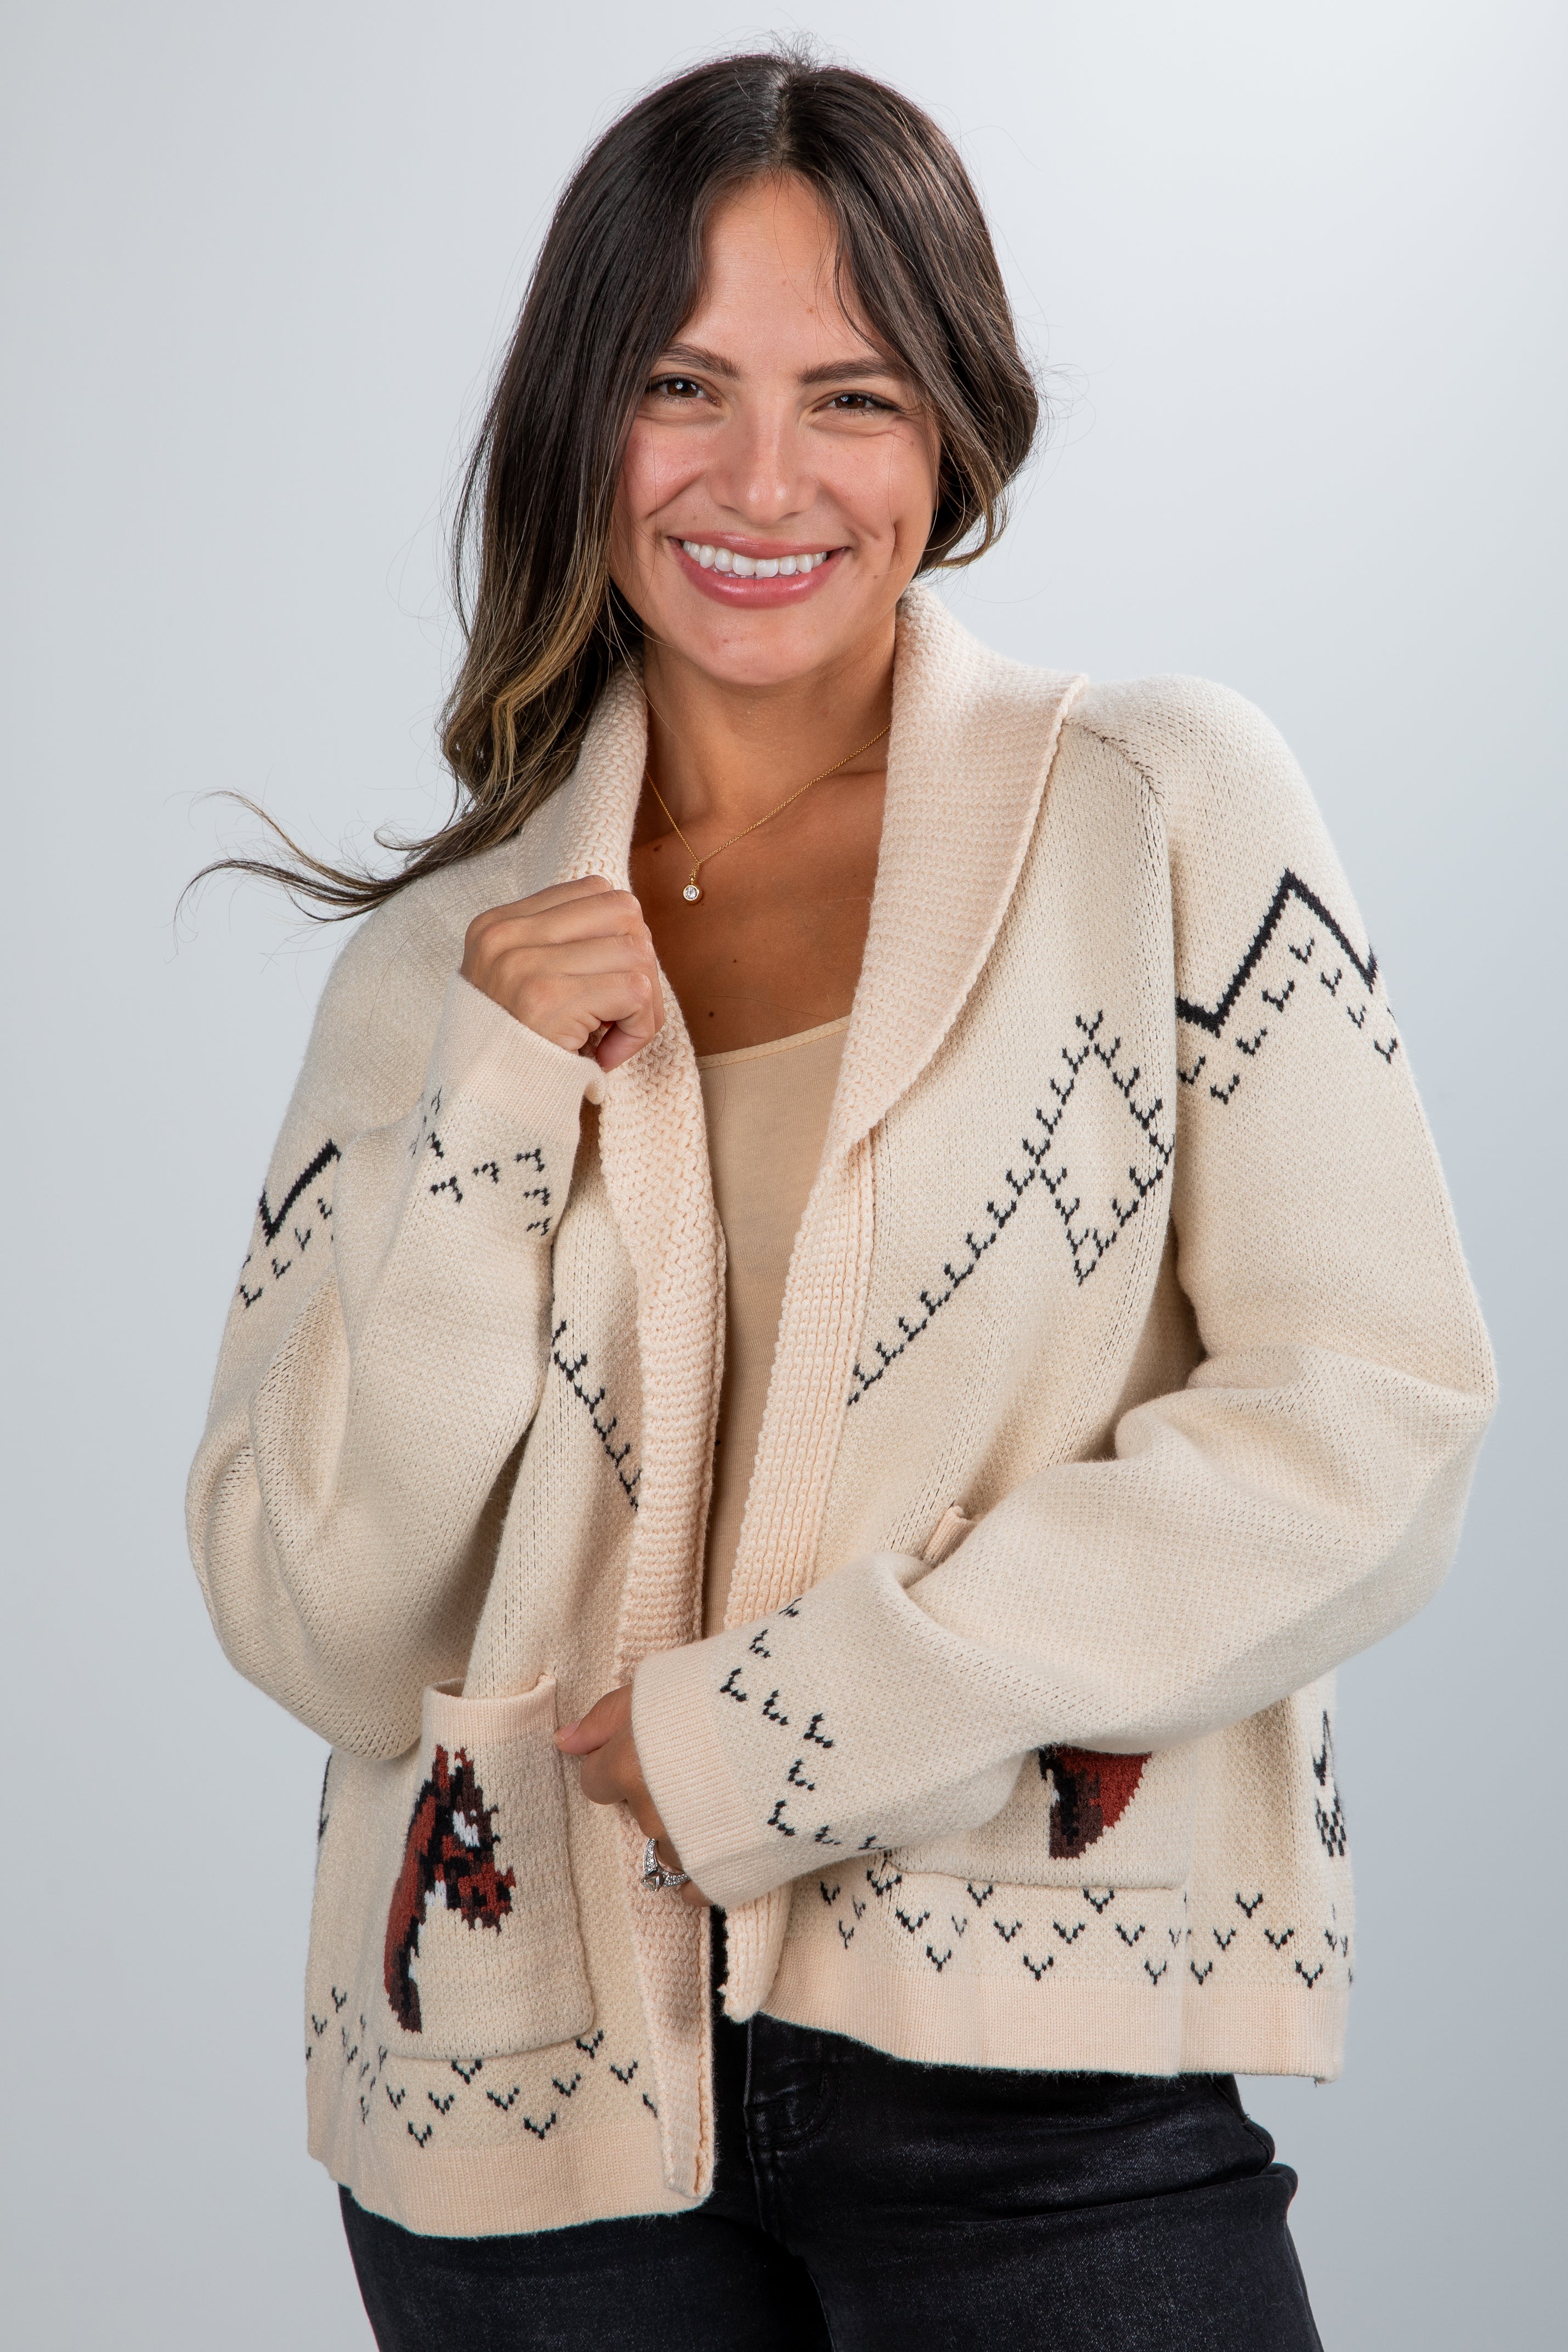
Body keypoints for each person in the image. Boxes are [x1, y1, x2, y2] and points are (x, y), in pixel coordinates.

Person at [186, 49, 1494, 2351]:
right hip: (517, 2138)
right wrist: (495, 1110)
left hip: (1042, 2099)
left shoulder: (1160, 811)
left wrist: (790, 1724)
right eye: (681, 385)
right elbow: (318, 1622)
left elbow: (1365, 1428)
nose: (761, 479)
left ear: (954, 436)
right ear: (580, 419)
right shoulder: (437, 975)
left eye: (852, 395)